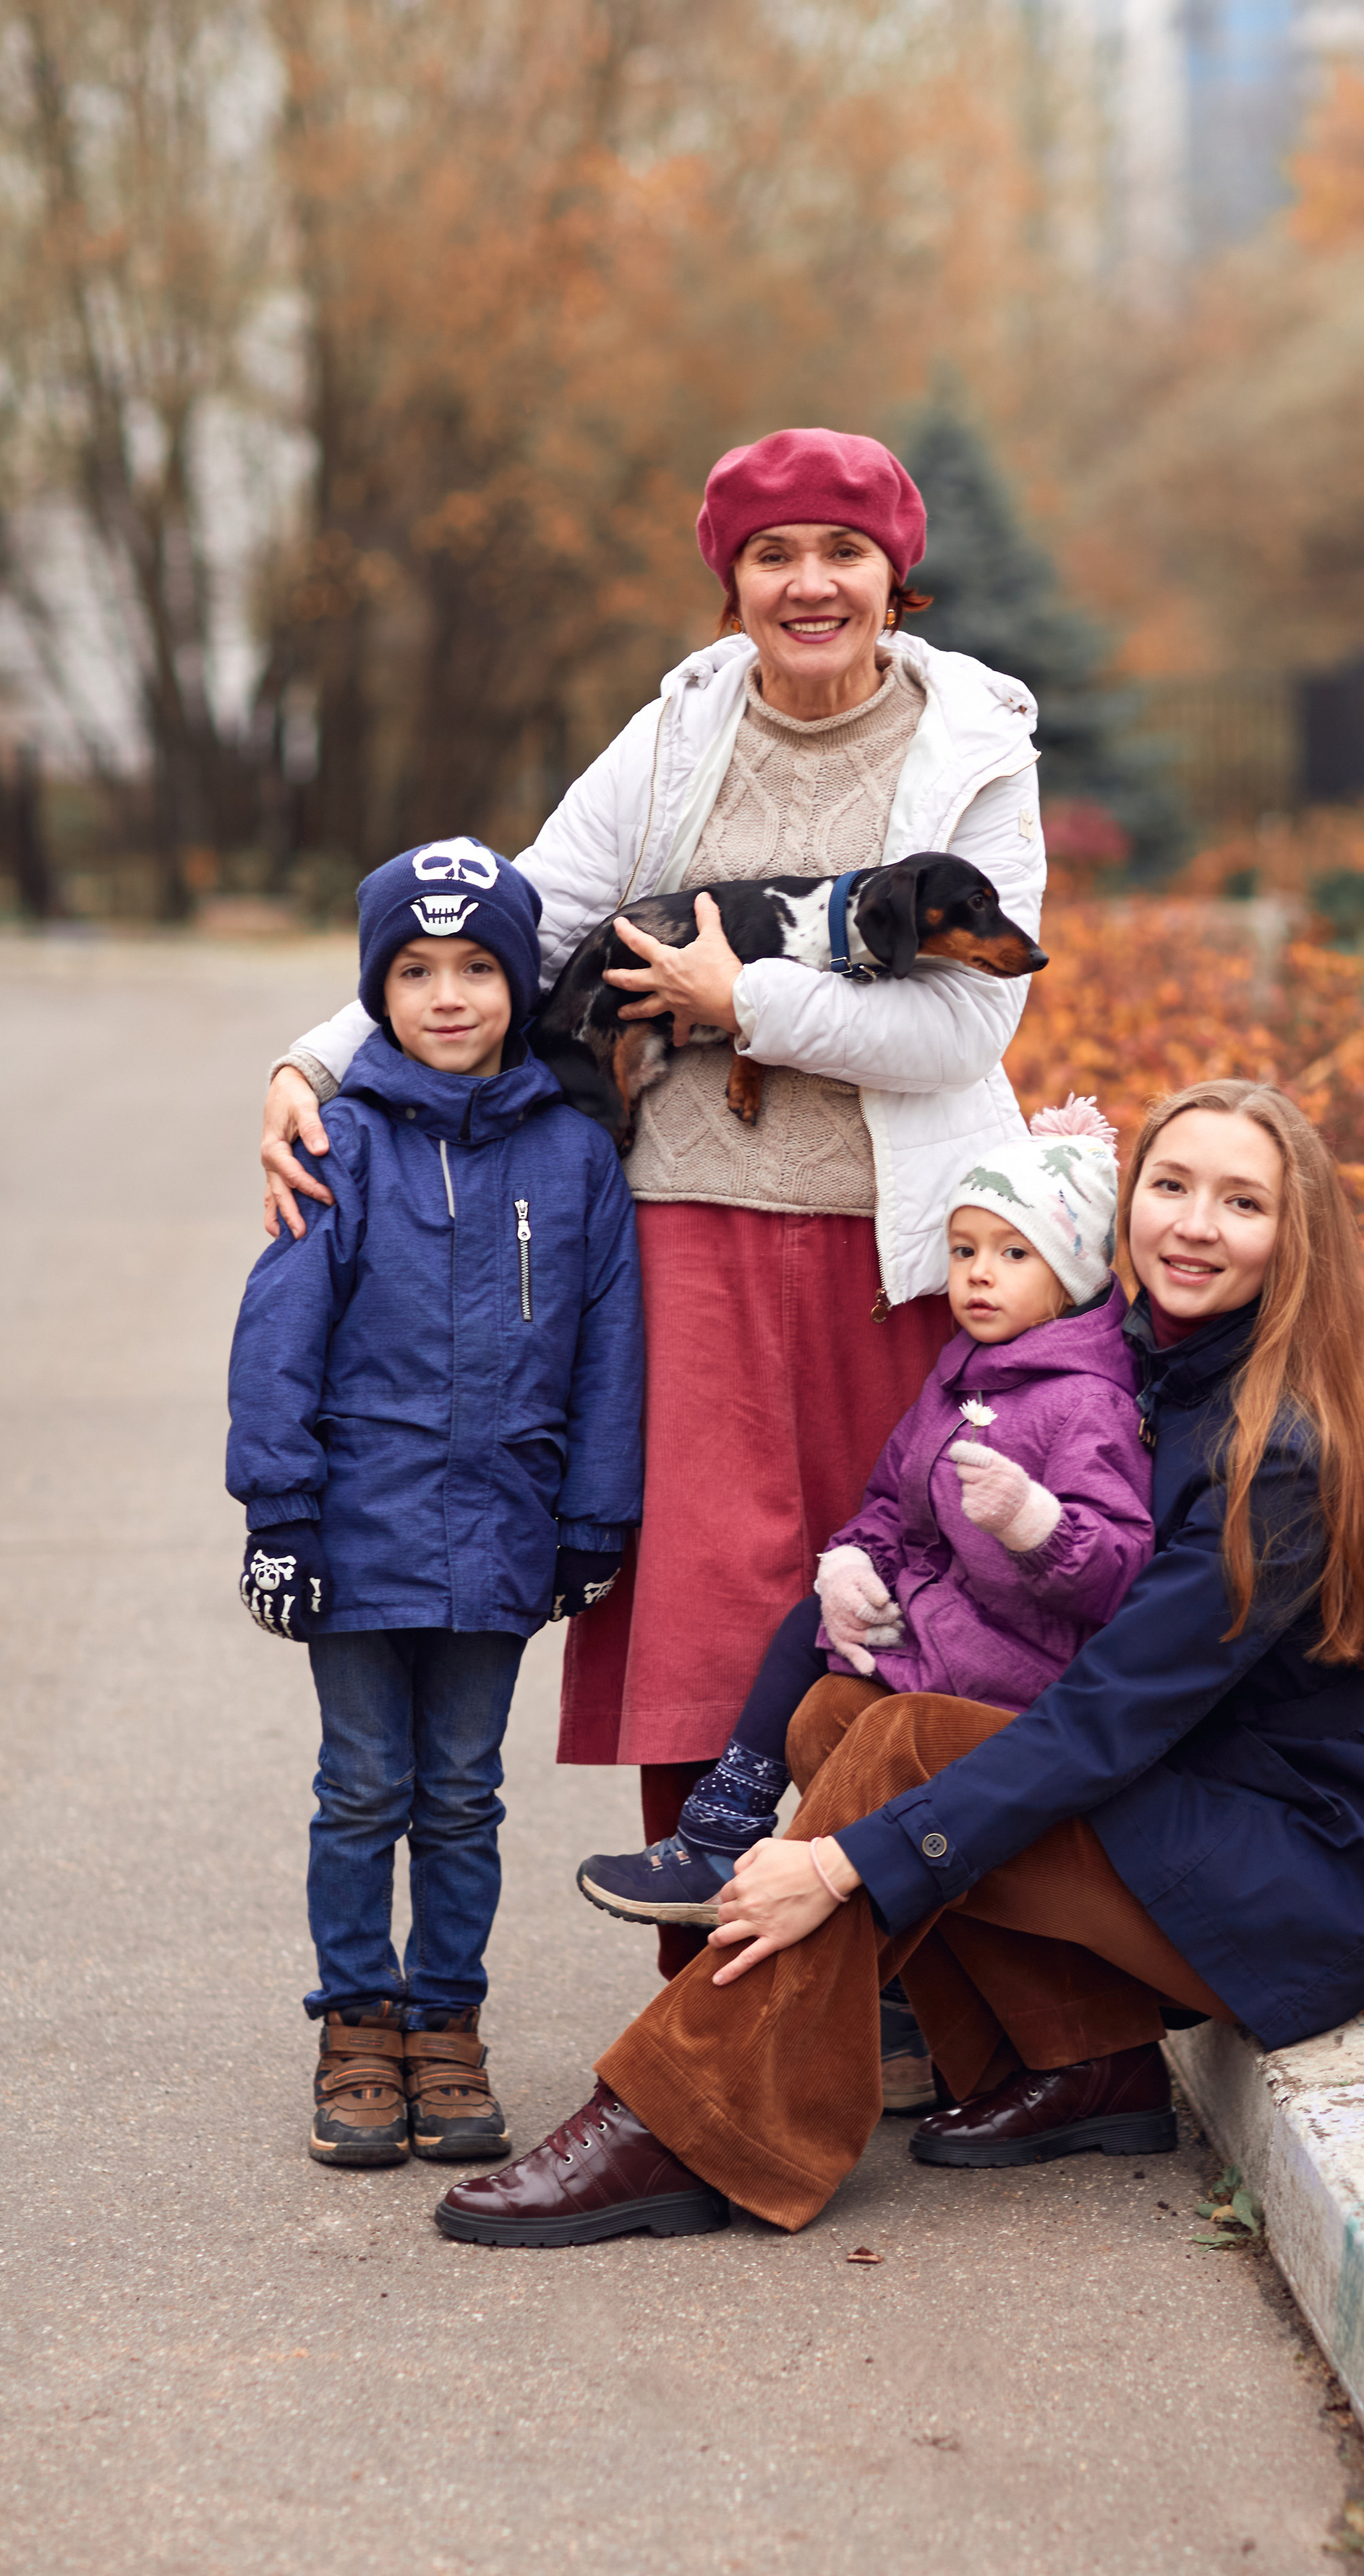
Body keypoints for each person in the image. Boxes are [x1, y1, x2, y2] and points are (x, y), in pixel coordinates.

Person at [256, 432, 1046, 1987]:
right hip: (681, 1222)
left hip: (900, 1243)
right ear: (731, 582)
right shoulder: (678, 735)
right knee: (705, 1605)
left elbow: (964, 1030)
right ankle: (710, 1979)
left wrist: (732, 997)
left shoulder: (973, 749)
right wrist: (315, 1060)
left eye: (840, 552)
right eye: (771, 555)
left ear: (896, 578)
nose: (807, 583)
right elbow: (526, 911)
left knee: (896, 1599)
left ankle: (882, 1970)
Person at [430, 1079, 1364, 2250]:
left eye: (1242, 1203)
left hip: (1289, 1873)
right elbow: (947, 1514)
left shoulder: (1273, 1453)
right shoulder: (1118, 1354)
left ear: (1296, 1241)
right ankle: (1086, 2062)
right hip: (1167, 1812)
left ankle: (682, 2120)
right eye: (1171, 1186)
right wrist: (863, 1569)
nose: (1192, 1224)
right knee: (833, 1712)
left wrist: (838, 1865)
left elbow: (1102, 1722)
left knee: (908, 1743)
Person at [227, 841, 643, 2172]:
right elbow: (277, 1336)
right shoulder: (334, 1143)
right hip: (356, 1536)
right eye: (414, 971)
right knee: (362, 1788)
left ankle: (446, 2025)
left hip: (506, 1536)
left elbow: (608, 1344)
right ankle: (358, 2026)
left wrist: (594, 1518)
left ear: (522, 985)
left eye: (477, 968)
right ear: (377, 988)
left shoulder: (577, 1159)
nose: (448, 995)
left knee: (462, 1792)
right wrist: (279, 1514)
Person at [574, 1097, 1151, 1947]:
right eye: (963, 1251)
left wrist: (1034, 1523)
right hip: (953, 1624)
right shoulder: (967, 1374)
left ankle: (740, 1851)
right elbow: (892, 1499)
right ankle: (725, 1833)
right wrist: (851, 1563)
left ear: (1072, 1272)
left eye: (1013, 1253)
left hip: (1024, 1661)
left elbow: (1119, 1568)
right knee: (810, 1620)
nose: (977, 1274)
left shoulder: (1087, 1403)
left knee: (847, 1717)